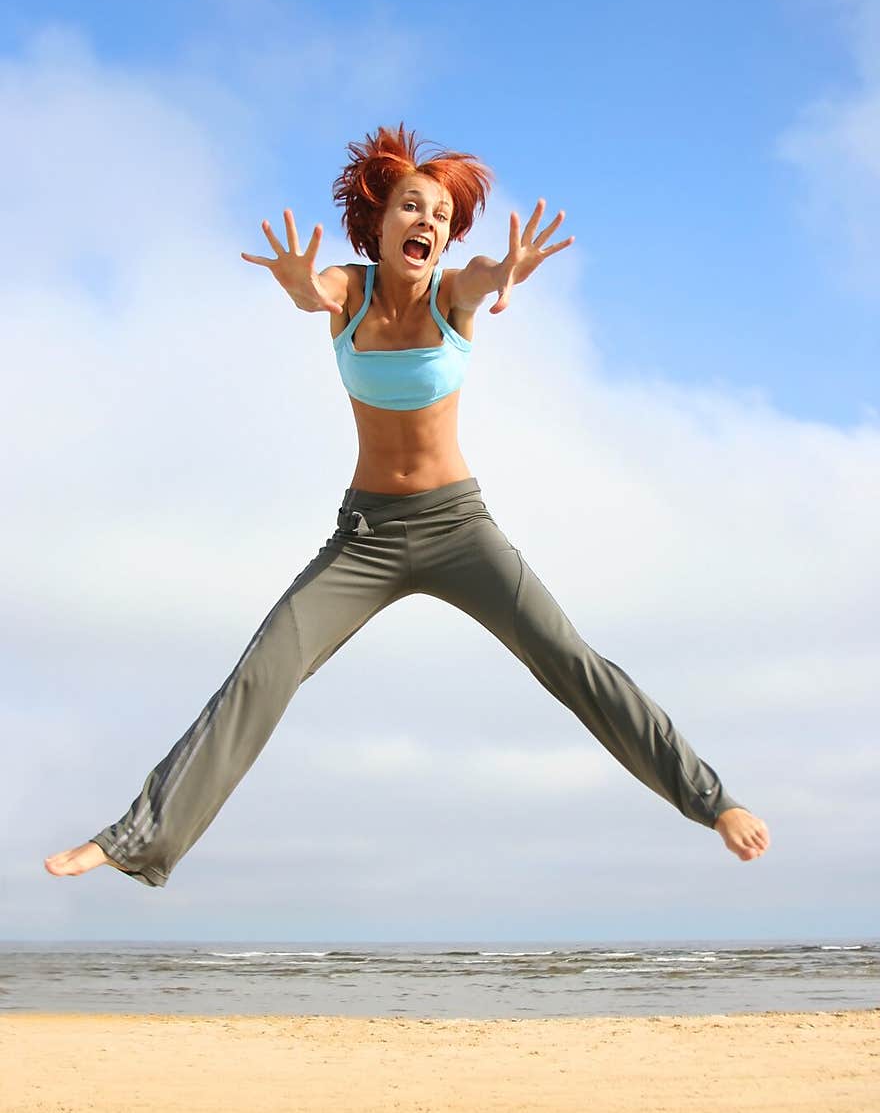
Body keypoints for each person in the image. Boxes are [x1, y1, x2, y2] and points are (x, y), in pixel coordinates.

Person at [45, 123, 769, 887]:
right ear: (380, 219)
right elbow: (310, 291)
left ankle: (712, 800)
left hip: (458, 528)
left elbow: (486, 277)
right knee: (265, 671)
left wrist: (509, 269)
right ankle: (135, 838)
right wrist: (293, 280)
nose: (428, 223)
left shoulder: (454, 295)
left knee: (569, 659)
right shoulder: (348, 293)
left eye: (442, 218)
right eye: (412, 208)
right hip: (365, 537)